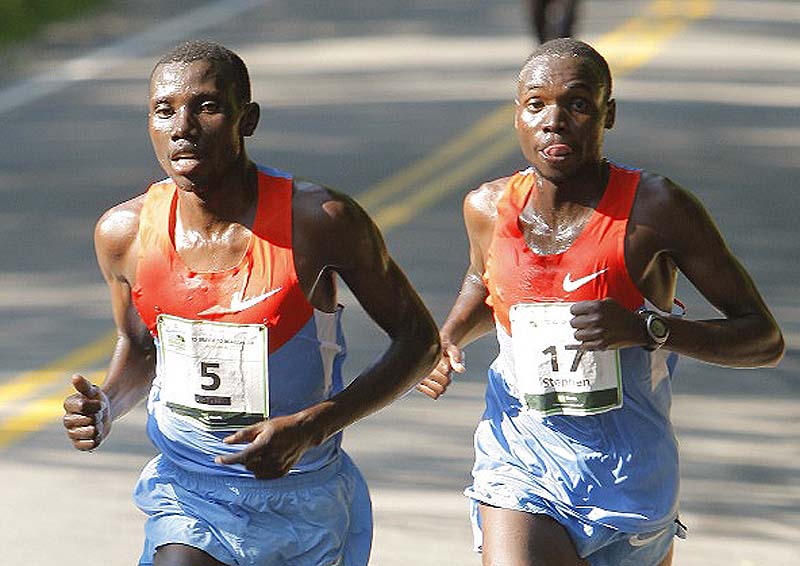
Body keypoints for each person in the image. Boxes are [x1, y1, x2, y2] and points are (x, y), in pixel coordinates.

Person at [62, 40, 440, 566]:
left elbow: (419, 343)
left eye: (207, 107)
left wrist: (313, 425)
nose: (183, 127)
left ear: (248, 119)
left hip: (303, 497)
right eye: (164, 110)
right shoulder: (123, 233)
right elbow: (142, 348)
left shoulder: (319, 222)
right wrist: (107, 403)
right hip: (190, 490)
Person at [417, 38, 784, 566]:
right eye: (536, 104)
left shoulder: (657, 210)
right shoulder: (487, 208)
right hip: (521, 460)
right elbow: (484, 279)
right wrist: (448, 335)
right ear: (517, 115)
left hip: (630, 475)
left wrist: (647, 329)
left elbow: (763, 339)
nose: (554, 121)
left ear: (607, 114)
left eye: (578, 104)